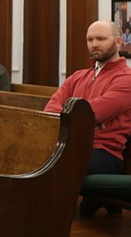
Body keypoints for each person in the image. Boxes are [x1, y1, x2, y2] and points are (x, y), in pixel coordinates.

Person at [44, 20, 131, 175]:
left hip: (103, 152)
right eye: (90, 40)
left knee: (56, 171)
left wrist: (81, 118)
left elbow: (91, 114)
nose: (94, 44)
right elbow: (51, 108)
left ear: (119, 42)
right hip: (68, 146)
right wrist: (88, 122)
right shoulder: (78, 76)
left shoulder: (126, 78)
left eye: (101, 39)